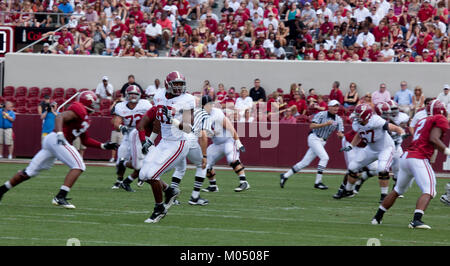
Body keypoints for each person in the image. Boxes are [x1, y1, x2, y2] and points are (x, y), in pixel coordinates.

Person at [0, 91, 118, 208]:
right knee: (79, 165)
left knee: (30, 172)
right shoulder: (79, 109)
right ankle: (60, 197)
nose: (96, 105)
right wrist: (60, 133)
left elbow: (85, 140)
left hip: (52, 140)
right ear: (88, 102)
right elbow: (60, 117)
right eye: (94, 102)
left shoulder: (85, 117)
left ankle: (1, 190)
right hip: (58, 139)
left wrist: (103, 145)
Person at [371, 100, 449, 229]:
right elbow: (434, 138)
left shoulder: (422, 121)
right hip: (418, 158)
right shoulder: (439, 118)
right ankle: (416, 221)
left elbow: (430, 140)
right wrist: (447, 151)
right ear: (442, 110)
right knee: (430, 190)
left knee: (397, 190)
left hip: (407, 156)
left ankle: (377, 217)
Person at [138, 71, 195, 223]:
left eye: (180, 84)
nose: (178, 88)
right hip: (164, 141)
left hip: (179, 142)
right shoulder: (159, 96)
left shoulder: (188, 99)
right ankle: (170, 190)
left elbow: (189, 128)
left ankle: (159, 208)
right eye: (175, 84)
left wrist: (173, 120)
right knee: (143, 175)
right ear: (167, 84)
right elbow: (157, 122)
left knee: (152, 175)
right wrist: (150, 140)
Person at [340, 104, 405, 201]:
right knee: (352, 166)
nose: (356, 117)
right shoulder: (357, 123)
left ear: (366, 115)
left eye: (359, 115)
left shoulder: (376, 120)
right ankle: (348, 190)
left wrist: (402, 133)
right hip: (371, 148)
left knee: (382, 168)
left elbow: (393, 127)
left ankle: (384, 196)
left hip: (385, 148)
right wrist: (351, 146)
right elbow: (359, 134)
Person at [280, 100, 344, 190]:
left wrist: (341, 136)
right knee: (325, 157)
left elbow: (341, 134)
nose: (336, 108)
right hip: (314, 137)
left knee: (305, 162)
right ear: (329, 107)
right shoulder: (322, 114)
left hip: (323, 141)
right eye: (334, 106)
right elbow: (311, 126)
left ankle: (285, 175)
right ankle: (318, 182)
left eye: (337, 106)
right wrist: (325, 124)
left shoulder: (339, 119)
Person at [168, 95, 213, 205]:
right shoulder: (205, 115)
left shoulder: (188, 111)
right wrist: (205, 156)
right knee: (202, 165)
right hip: (190, 140)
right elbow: (203, 135)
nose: (212, 107)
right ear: (207, 105)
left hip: (177, 140)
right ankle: (195, 197)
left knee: (180, 168)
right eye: (211, 105)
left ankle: (171, 198)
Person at [201, 97, 249, 193]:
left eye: (211, 104)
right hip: (217, 143)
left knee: (232, 159)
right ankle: (213, 186)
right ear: (203, 106)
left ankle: (244, 182)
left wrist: (238, 141)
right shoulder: (200, 115)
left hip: (228, 141)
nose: (211, 106)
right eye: (208, 104)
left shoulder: (216, 113)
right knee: (205, 162)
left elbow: (230, 128)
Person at [111, 85, 152, 191]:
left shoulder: (145, 104)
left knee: (144, 160)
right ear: (126, 95)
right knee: (121, 159)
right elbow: (116, 121)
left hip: (141, 134)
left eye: (135, 94)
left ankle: (137, 177)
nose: (133, 96)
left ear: (139, 96)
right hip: (128, 135)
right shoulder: (121, 106)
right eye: (131, 94)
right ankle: (119, 180)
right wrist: (120, 126)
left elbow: (151, 117)